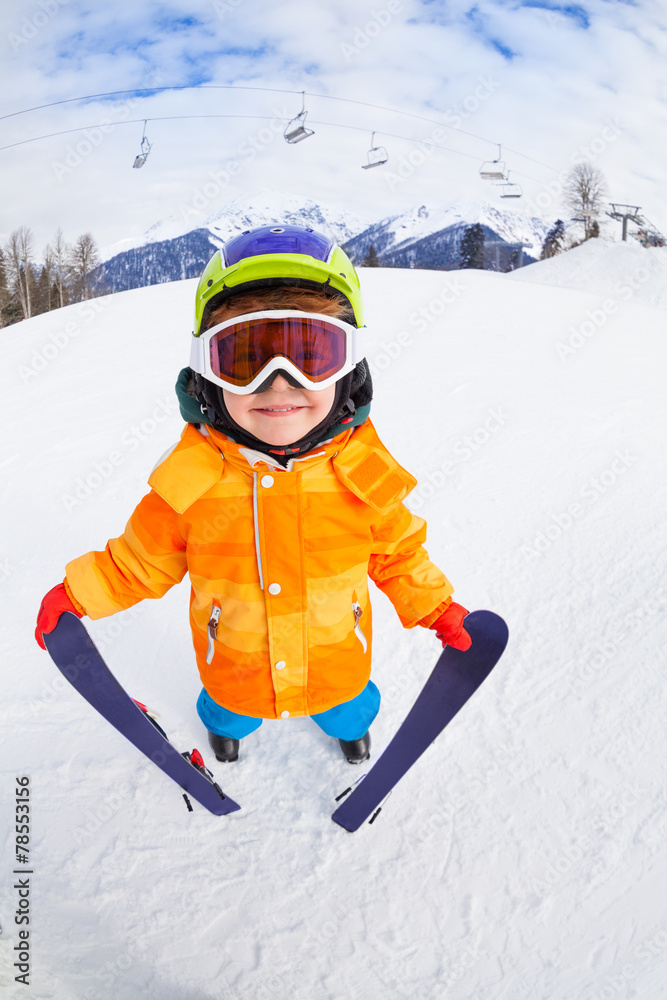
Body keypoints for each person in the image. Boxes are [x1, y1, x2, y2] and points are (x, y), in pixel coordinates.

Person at [35, 224, 471, 766]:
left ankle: (351, 732)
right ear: (207, 374)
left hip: (338, 661)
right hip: (233, 667)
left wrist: (438, 607)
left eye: (311, 355)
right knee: (227, 708)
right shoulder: (191, 482)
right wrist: (77, 594)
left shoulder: (362, 474)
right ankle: (226, 729)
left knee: (349, 706)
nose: (278, 382)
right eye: (244, 358)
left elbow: (399, 554)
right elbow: (137, 562)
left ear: (350, 368)